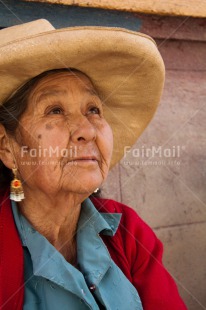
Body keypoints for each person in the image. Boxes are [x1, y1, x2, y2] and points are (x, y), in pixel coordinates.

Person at [0, 19, 187, 310]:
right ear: (7, 148)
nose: (86, 129)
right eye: (56, 110)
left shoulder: (127, 231)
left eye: (93, 109)